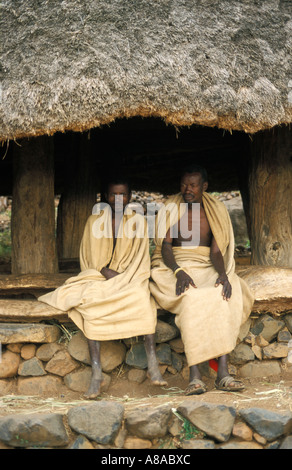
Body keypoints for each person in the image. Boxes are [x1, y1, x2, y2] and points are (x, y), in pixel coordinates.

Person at [39, 174, 166, 398]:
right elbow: (88, 259)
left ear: (130, 196)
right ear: (106, 196)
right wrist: (105, 272)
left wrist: (124, 278)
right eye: (114, 194)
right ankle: (96, 373)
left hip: (130, 278)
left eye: (123, 194)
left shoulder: (137, 221)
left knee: (142, 299)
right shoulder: (94, 221)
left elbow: (140, 260)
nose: (119, 199)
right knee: (91, 300)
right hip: (98, 277)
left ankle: (153, 365)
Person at [150, 164, 254, 395]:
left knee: (224, 294)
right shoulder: (171, 207)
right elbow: (165, 248)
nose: (187, 189)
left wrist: (223, 274)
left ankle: (223, 374)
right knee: (191, 299)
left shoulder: (215, 210)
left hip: (207, 264)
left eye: (193, 185)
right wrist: (178, 271)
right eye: (184, 184)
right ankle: (195, 376)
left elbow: (216, 252)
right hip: (174, 266)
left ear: (204, 186)